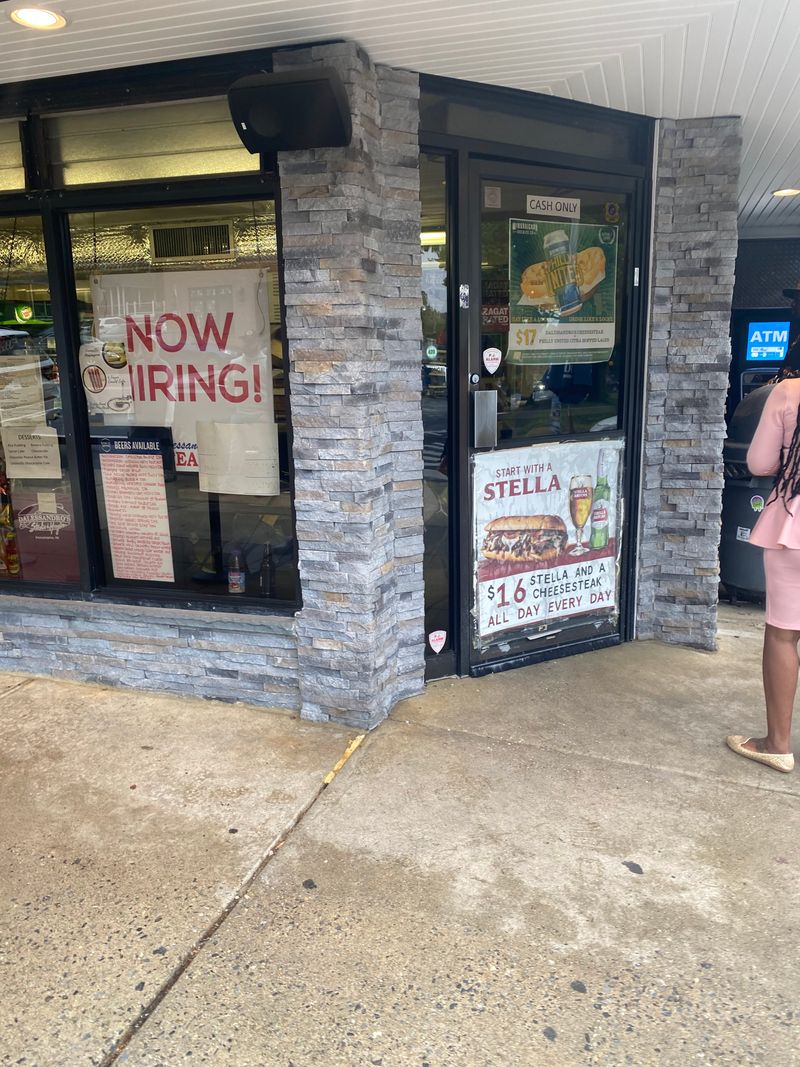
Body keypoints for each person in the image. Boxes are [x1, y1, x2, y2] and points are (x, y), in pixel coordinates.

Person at [726, 352, 800, 772]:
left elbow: (758, 463)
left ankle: (778, 743)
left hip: (793, 523)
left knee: (784, 635)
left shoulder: (786, 392)